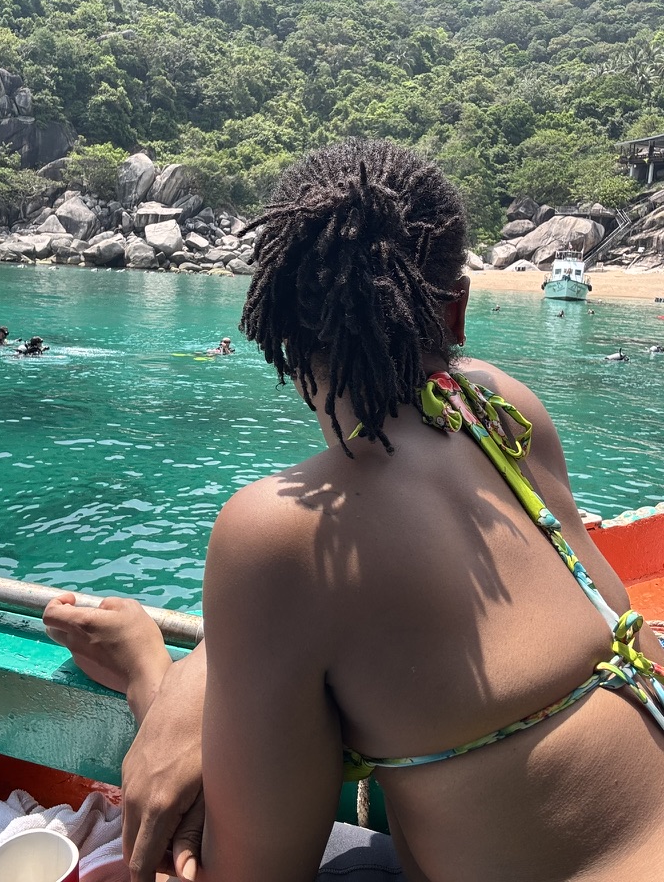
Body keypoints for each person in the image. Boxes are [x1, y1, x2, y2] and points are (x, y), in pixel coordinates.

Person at [45, 139, 664, 882]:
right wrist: (214, 661)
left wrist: (151, 674)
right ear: (456, 310)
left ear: (277, 332)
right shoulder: (502, 412)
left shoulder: (277, 536)